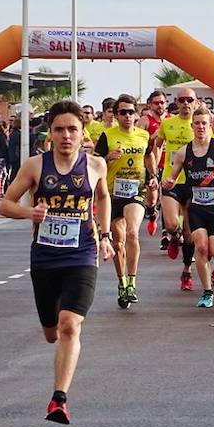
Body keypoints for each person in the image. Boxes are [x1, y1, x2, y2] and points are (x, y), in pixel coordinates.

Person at [0, 100, 115, 425]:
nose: (66, 136)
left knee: (70, 324)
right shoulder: (35, 166)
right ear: (50, 133)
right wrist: (29, 212)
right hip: (46, 257)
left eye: (72, 129)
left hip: (82, 254)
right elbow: (5, 205)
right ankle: (56, 358)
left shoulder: (95, 166)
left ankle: (59, 399)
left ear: (83, 132)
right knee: (52, 332)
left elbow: (103, 197)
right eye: (60, 129)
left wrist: (105, 235)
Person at [162, 107, 214, 308]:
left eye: (204, 123)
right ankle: (207, 292)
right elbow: (173, 176)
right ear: (192, 126)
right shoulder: (183, 152)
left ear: (211, 125)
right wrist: (168, 182)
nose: (201, 127)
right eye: (197, 123)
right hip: (196, 207)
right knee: (202, 248)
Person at [94, 94, 157, 308]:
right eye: (123, 112)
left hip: (135, 191)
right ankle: (121, 282)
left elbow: (149, 155)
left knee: (132, 232)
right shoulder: (107, 135)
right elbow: (94, 163)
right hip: (112, 194)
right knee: (118, 242)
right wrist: (106, 158)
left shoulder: (143, 135)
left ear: (136, 114)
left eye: (131, 112)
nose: (128, 116)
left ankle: (132, 281)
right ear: (116, 114)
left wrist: (153, 176)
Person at [154, 87, 197, 290]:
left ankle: (186, 271)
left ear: (196, 103)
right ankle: (173, 236)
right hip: (170, 180)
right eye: (182, 100)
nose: (186, 103)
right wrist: (155, 169)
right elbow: (156, 145)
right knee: (171, 224)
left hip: (192, 183)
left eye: (190, 100)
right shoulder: (167, 123)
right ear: (177, 103)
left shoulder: (200, 125)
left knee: (190, 233)